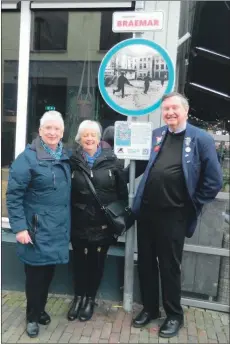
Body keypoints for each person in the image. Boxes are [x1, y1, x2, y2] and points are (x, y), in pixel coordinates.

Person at [131, 92, 223, 338]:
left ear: (185, 110)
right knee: (147, 263)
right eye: (166, 109)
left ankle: (174, 315)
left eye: (174, 108)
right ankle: (150, 309)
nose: (170, 113)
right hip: (147, 212)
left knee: (170, 267)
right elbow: (139, 165)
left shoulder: (200, 139)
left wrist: (191, 204)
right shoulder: (157, 135)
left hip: (174, 216)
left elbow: (214, 181)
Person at [6, 111, 71, 338]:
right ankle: (31, 317)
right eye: (48, 128)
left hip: (57, 229)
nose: (53, 133)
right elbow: (13, 197)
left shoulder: (65, 156)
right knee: (35, 277)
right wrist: (20, 228)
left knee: (48, 273)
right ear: (40, 130)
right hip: (35, 230)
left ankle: (40, 308)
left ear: (62, 132)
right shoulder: (27, 159)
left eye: (57, 129)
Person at [67, 120, 128, 322]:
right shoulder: (71, 161)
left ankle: (89, 299)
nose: (90, 138)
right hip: (79, 222)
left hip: (103, 224)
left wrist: (119, 220)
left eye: (93, 135)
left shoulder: (113, 161)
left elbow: (122, 195)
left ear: (99, 138)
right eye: (86, 135)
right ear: (80, 138)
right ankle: (78, 297)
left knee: (96, 263)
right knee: (78, 263)